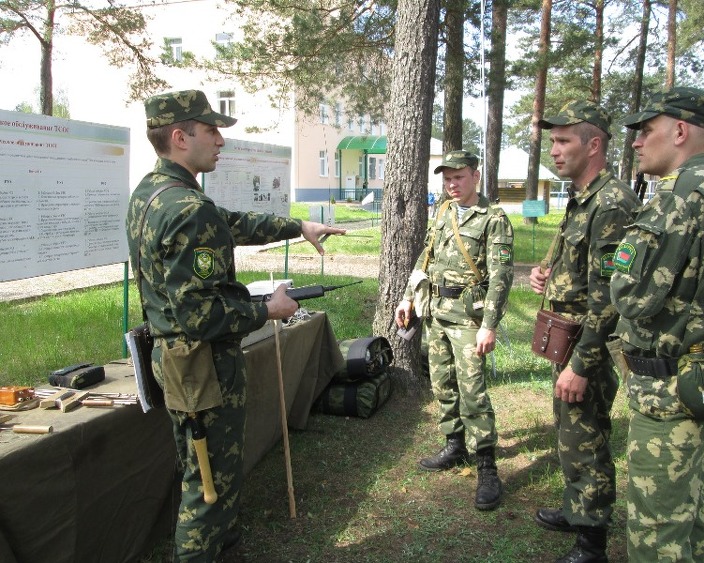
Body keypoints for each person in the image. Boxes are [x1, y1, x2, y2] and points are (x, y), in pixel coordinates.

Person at [125, 89, 344, 562]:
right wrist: (269, 310)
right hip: (203, 368)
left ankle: (226, 549)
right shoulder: (187, 207)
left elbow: (228, 223)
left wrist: (297, 227)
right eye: (211, 130)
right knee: (208, 485)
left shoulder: (152, 193)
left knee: (202, 467)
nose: (221, 140)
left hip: (177, 360)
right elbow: (197, 314)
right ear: (181, 137)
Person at [611, 86, 704, 562]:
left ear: (681, 130)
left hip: (668, 389)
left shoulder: (684, 197)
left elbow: (633, 293)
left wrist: (616, 268)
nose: (636, 142)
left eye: (646, 131)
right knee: (686, 513)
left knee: (656, 534)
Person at [530, 100, 640, 563]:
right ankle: (578, 509)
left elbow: (610, 296)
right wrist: (546, 274)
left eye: (563, 141)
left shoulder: (611, 202)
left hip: (588, 348)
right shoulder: (583, 197)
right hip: (570, 338)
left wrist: (581, 364)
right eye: (552, 141)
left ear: (594, 144)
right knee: (570, 432)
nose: (553, 151)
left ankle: (592, 540)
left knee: (587, 436)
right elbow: (580, 269)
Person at [394, 150, 514, 511]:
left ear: (475, 177)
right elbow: (424, 258)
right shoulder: (443, 211)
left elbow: (501, 278)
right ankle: (454, 445)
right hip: (437, 312)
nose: (452, 183)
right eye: (447, 177)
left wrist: (489, 326)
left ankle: (487, 466)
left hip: (469, 317)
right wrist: (407, 298)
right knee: (442, 382)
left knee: (473, 390)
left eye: (459, 177)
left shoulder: (494, 219)